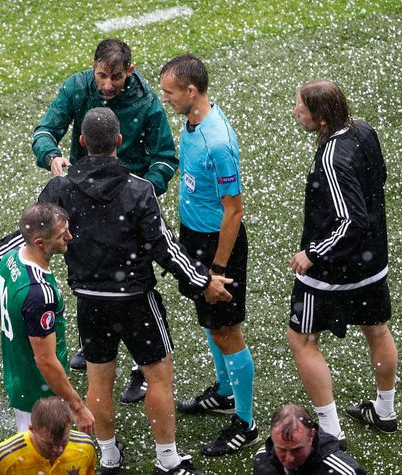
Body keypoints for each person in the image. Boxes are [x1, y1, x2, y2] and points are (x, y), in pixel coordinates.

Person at [0, 108, 232, 475]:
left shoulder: (61, 187)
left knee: (99, 379)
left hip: (90, 302)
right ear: (119, 142)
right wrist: (203, 282)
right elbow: (165, 248)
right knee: (158, 376)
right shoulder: (140, 189)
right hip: (137, 300)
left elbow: (32, 231)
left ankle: (107, 455)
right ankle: (168, 460)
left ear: (82, 142)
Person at [32, 38, 179, 401]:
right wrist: (51, 157)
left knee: (133, 281)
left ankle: (140, 368)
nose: (108, 84)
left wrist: (140, 191)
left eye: (115, 77)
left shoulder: (146, 102)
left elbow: (164, 158)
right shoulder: (76, 87)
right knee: (89, 270)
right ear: (93, 67)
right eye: (102, 75)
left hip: (129, 206)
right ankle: (98, 344)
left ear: (129, 71)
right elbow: (44, 132)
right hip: (84, 200)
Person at [158, 54, 259, 457]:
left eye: (169, 91)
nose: (165, 98)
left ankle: (246, 422)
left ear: (191, 91)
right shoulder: (193, 120)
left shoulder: (217, 142)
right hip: (195, 237)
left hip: (220, 245)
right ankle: (222, 391)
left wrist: (217, 267)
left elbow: (235, 209)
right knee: (209, 320)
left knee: (226, 330)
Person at [287, 80, 398, 444]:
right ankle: (385, 411)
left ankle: (331, 432)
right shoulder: (364, 130)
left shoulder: (333, 157)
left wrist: (313, 253)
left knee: (302, 339)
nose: (295, 112)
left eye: (300, 108)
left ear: (320, 118)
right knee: (377, 330)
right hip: (372, 261)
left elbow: (351, 220)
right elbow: (377, 185)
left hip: (332, 270)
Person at [0, 202, 94, 434]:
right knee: (44, 454)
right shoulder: (39, 294)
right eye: (62, 235)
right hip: (39, 392)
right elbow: (45, 360)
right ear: (40, 242)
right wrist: (77, 406)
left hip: (19, 375)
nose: (70, 237)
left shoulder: (11, 258)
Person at [0, 397, 97, 475]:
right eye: (50, 444)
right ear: (32, 429)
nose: (58, 449)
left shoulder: (85, 448)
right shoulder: (4, 457)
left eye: (64, 442)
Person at [252, 404, 367, 474]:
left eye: (297, 449)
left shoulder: (344, 472)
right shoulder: (263, 457)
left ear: (312, 435)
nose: (289, 458)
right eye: (281, 449)